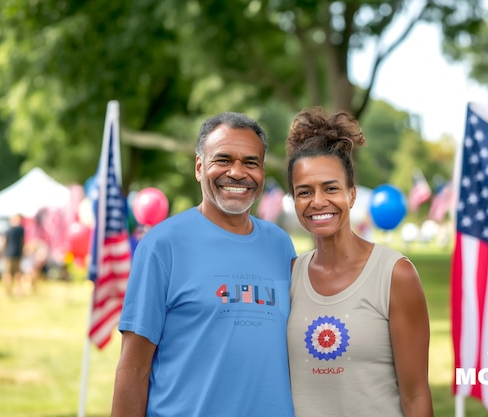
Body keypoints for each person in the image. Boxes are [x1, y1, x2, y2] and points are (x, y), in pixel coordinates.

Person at [111, 112, 296, 417]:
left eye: (251, 162)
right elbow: (133, 370)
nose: (237, 172)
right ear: (199, 167)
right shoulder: (162, 245)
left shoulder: (280, 245)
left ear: (262, 172)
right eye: (223, 159)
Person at [285, 108, 434, 417]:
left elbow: (416, 395)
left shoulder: (395, 275)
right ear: (295, 200)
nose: (318, 201)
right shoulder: (288, 276)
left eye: (330, 188)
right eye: (304, 192)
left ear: (351, 195)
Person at [0, 213, 25, 296]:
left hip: (9, 254)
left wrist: (1, 253)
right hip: (18, 254)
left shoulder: (8, 229)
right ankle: (18, 290)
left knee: (7, 273)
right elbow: (23, 242)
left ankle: (8, 291)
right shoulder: (21, 229)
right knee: (17, 273)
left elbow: (3, 242)